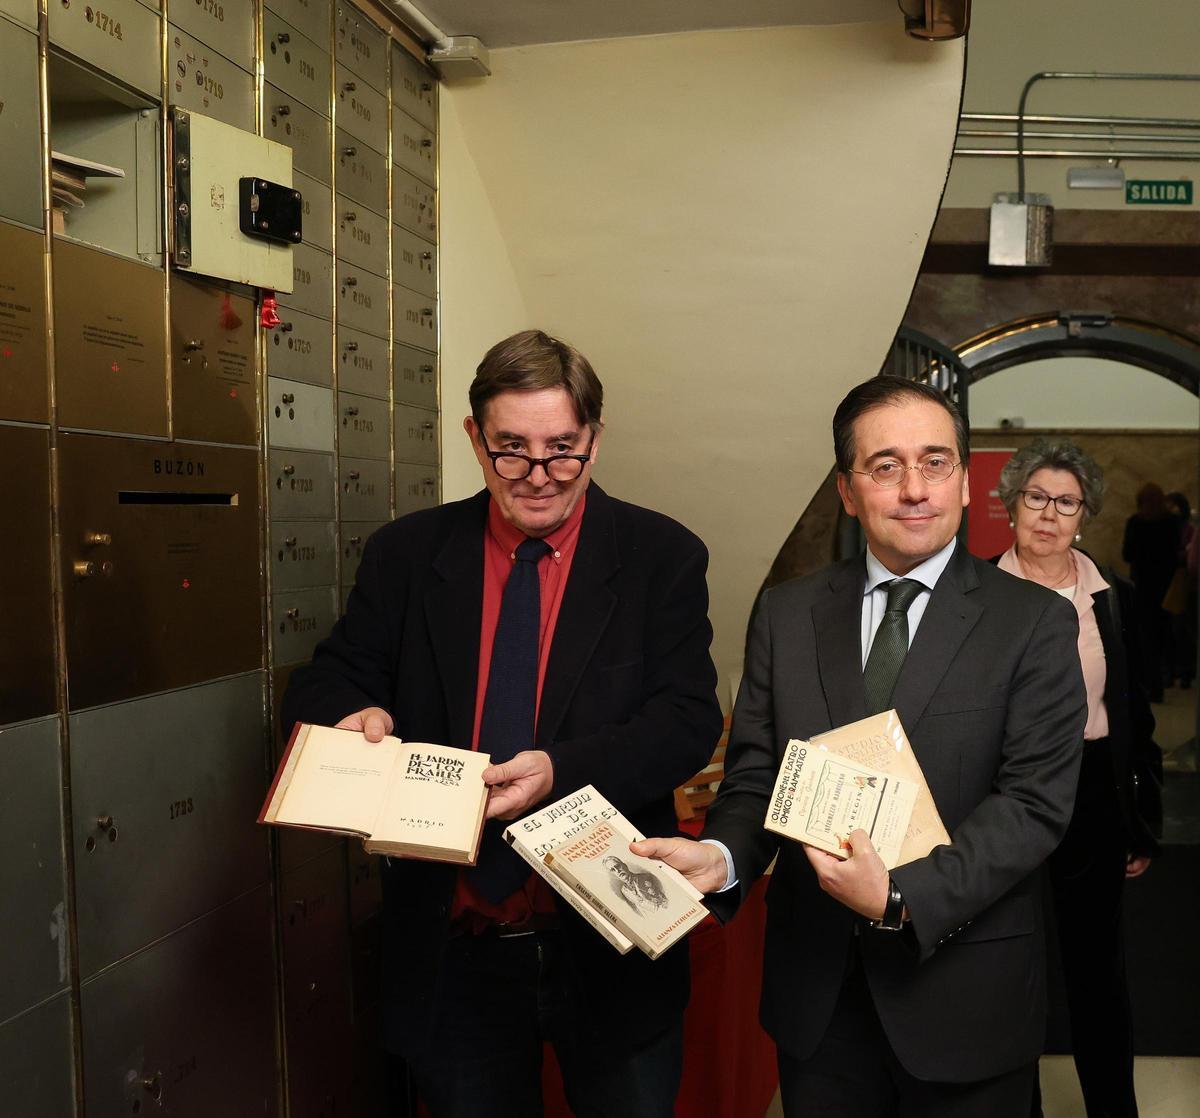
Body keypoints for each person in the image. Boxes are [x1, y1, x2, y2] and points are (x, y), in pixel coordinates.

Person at [282, 329, 722, 1118]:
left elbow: (688, 720)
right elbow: (329, 676)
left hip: (611, 941)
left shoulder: (662, 555)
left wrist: (562, 767)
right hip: (457, 952)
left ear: (594, 437)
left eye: (563, 450)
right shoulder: (407, 555)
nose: (539, 477)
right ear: (473, 439)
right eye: (510, 450)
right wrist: (352, 712)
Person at [634, 376, 1087, 1116]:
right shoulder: (788, 612)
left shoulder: (1031, 621)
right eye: (886, 466)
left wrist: (903, 897)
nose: (915, 489)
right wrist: (719, 857)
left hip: (965, 991)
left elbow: (1033, 805)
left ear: (966, 483)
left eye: (936, 462)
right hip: (820, 1002)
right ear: (848, 491)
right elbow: (756, 779)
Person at [995, 439, 1162, 1118]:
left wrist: (1139, 816)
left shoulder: (1110, 598)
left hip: (1092, 792)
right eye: (1036, 497)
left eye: (1066, 502)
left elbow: (1133, 713)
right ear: (1012, 506)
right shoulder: (976, 593)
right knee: (1009, 969)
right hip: (1003, 797)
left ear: (1084, 515)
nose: (1049, 513)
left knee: (1097, 973)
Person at [1122, 483, 1178, 701]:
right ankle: (1164, 680)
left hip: (1143, 587)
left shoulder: (1135, 523)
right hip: (1166, 586)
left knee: (1146, 639)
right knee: (1165, 635)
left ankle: (1150, 684)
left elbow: (1127, 554)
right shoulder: (1172, 523)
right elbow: (1175, 554)